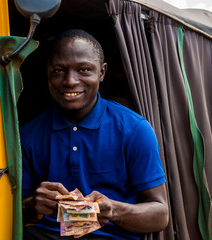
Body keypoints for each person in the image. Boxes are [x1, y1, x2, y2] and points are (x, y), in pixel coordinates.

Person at [20, 29, 168, 240]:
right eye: (59, 70)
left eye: (84, 70)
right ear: (48, 72)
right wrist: (32, 204)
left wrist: (113, 210)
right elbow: (6, 212)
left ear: (102, 72)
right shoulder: (29, 134)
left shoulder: (135, 129)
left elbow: (160, 215)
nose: (70, 81)